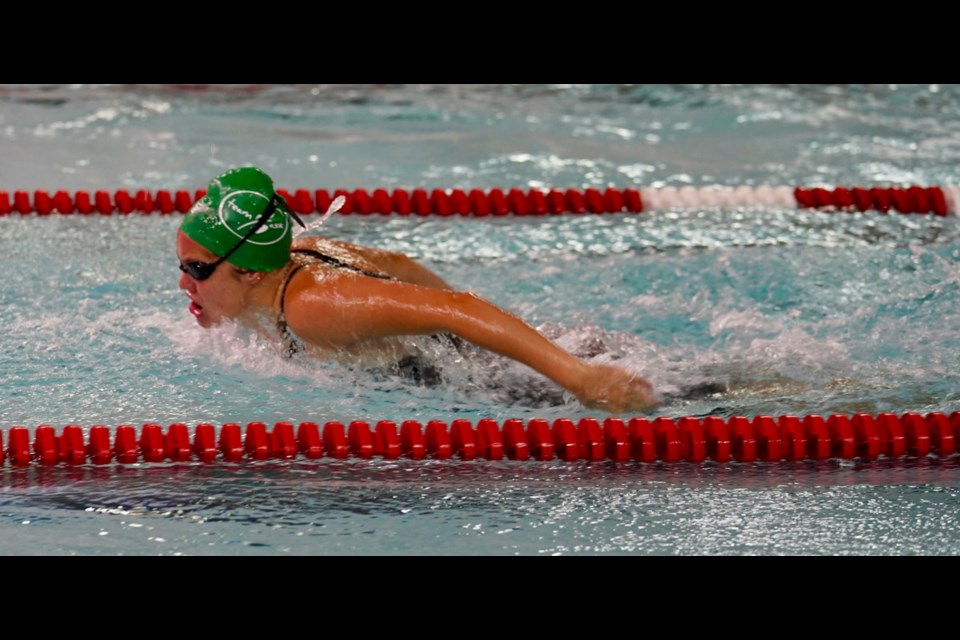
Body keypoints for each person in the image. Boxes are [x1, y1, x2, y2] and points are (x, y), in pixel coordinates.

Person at [176, 166, 657, 414]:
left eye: (197, 270)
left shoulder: (313, 307)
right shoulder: (308, 252)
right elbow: (400, 266)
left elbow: (453, 307)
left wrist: (581, 380)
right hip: (505, 356)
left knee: (701, 395)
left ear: (252, 273)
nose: (184, 284)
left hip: (514, 384)